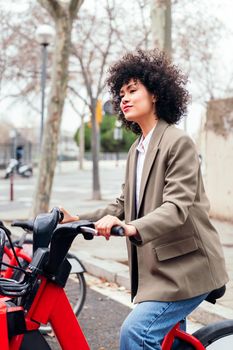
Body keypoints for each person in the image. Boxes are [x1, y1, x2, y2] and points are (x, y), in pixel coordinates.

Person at [60, 49, 228, 350]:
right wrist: (77, 218)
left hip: (188, 269)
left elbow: (176, 208)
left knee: (135, 334)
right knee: (168, 343)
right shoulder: (136, 149)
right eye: (121, 93)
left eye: (133, 90)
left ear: (155, 94)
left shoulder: (178, 142)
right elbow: (122, 205)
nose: (123, 98)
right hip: (161, 270)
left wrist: (131, 227)